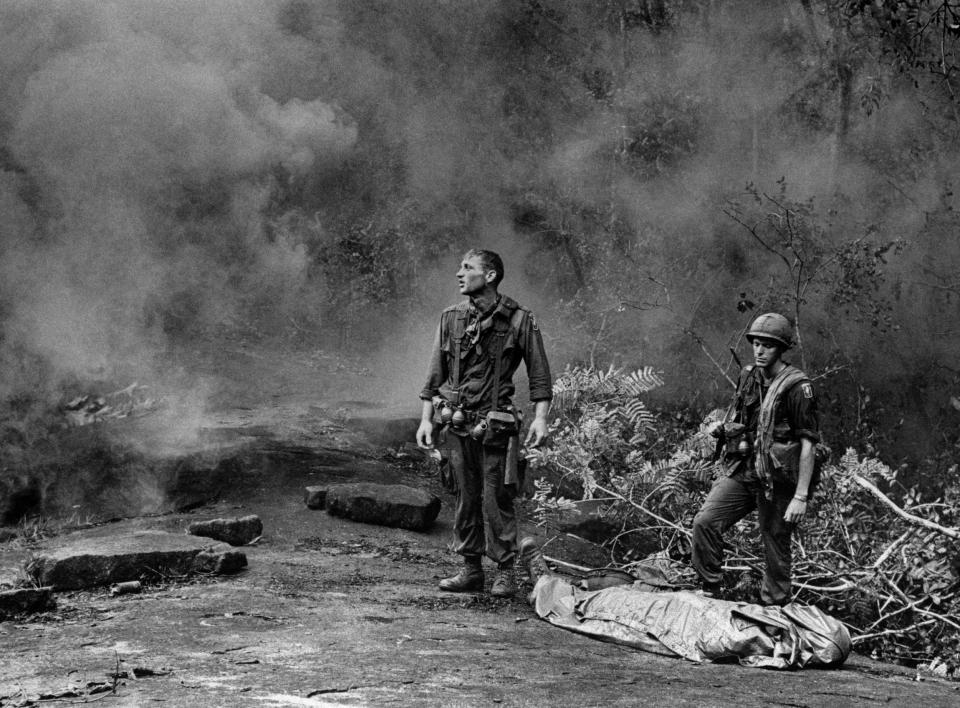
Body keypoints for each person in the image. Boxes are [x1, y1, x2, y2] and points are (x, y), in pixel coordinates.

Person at [416, 249, 552, 598]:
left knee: (497, 499)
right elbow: (434, 377)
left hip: (496, 427)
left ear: (489, 276)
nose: (459, 273)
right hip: (458, 424)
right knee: (465, 496)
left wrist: (540, 419)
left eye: (468, 268)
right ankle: (471, 569)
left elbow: (539, 376)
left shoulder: (520, 320)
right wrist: (427, 420)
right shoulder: (451, 318)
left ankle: (505, 571)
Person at [691, 312, 820, 606]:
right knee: (706, 522)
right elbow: (743, 417)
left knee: (775, 540)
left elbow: (808, 444)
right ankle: (710, 590)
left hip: (777, 479)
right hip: (746, 469)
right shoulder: (749, 375)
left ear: (782, 349)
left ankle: (774, 609)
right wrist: (722, 427)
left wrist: (800, 496)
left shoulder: (799, 387)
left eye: (768, 345)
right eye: (757, 344)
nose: (760, 351)